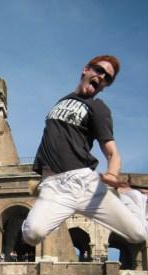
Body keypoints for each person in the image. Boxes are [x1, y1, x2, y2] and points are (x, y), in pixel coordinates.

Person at [22, 55, 148, 248]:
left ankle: (133, 196)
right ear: (86, 69)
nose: (101, 77)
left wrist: (113, 174)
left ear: (104, 86)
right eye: (99, 70)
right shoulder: (61, 101)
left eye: (107, 78)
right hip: (54, 186)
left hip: (84, 183)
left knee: (138, 234)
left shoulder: (98, 108)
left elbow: (112, 152)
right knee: (32, 234)